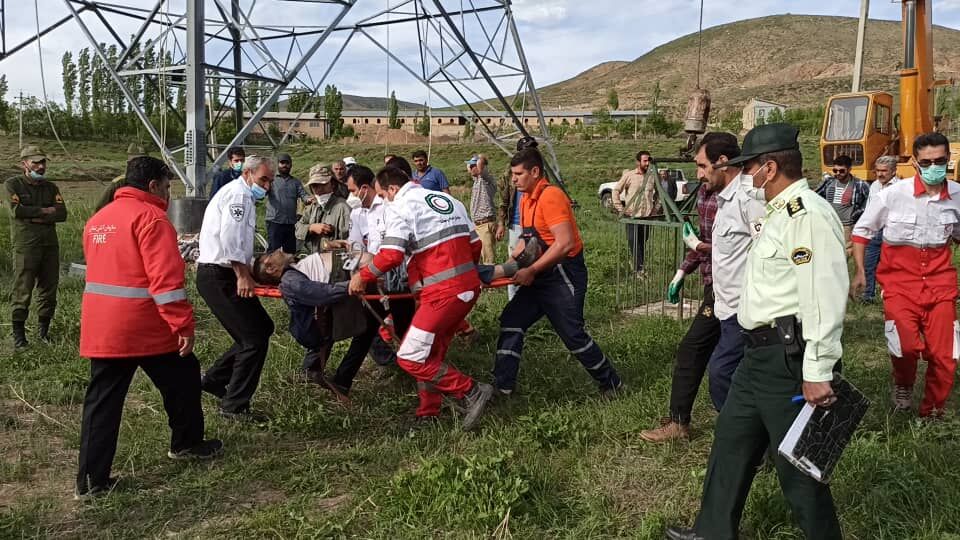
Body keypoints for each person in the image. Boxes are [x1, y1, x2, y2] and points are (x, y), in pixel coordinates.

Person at [667, 123, 847, 540]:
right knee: (730, 441)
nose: (744, 177)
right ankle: (712, 532)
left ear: (769, 168)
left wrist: (818, 369)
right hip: (756, 354)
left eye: (749, 168)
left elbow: (823, 294)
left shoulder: (807, 215)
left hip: (787, 358)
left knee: (798, 467)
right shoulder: (777, 211)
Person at [76, 156, 223, 498]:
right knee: (184, 377)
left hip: (103, 326)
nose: (169, 193)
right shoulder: (152, 219)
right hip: (144, 326)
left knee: (102, 402)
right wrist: (183, 324)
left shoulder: (99, 219)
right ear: (154, 185)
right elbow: (166, 283)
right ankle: (186, 443)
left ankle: (90, 482)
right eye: (168, 185)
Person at [348, 166, 494, 429]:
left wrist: (363, 275)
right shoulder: (450, 201)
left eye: (382, 195)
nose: (382, 201)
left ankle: (470, 390)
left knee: (410, 356)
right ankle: (429, 412)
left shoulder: (400, 207)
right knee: (430, 353)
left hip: (441, 295)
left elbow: (391, 254)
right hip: (465, 291)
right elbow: (475, 245)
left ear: (392, 189)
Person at [492, 147, 623, 398]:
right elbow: (527, 242)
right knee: (511, 320)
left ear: (535, 171)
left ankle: (612, 384)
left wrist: (530, 270)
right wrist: (499, 271)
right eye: (512, 174)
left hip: (564, 275)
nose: (513, 179)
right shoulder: (527, 199)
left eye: (518, 174)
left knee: (573, 335)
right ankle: (503, 387)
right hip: (542, 274)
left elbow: (565, 244)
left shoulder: (551, 197)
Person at [852, 133, 960, 417]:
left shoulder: (958, 196)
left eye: (939, 160)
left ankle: (933, 409)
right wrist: (861, 272)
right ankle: (903, 381)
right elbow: (862, 232)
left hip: (941, 287)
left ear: (948, 159)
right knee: (905, 346)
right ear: (914, 162)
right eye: (927, 162)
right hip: (900, 286)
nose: (934, 166)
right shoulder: (892, 196)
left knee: (946, 353)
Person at [639, 136, 722, 443]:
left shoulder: (742, 199)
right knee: (694, 350)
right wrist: (680, 272)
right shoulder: (705, 194)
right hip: (714, 285)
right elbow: (699, 242)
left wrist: (700, 246)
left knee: (721, 363)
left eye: (701, 166)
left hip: (737, 290)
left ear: (722, 162)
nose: (698, 174)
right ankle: (679, 422)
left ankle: (746, 436)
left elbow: (735, 248)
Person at [196, 155, 276, 422]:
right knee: (253, 338)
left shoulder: (244, 196)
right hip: (220, 275)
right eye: (263, 179)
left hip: (225, 273)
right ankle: (234, 406)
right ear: (248, 174)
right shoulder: (238, 196)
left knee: (262, 328)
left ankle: (215, 380)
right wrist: (242, 275)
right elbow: (230, 239)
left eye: (270, 181)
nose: (266, 186)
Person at [252, 249, 371, 396]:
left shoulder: (290, 277)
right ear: (271, 268)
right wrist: (349, 286)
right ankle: (319, 381)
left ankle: (314, 376)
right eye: (271, 254)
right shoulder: (290, 281)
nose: (279, 250)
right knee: (363, 331)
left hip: (318, 325)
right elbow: (321, 294)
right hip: (318, 325)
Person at [346, 165, 415, 368]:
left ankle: (414, 365)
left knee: (404, 325)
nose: (351, 195)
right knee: (366, 327)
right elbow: (355, 245)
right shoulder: (356, 214)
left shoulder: (389, 207)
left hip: (396, 276)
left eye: (352, 190)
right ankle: (346, 378)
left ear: (364, 188)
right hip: (371, 277)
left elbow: (396, 249)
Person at [5, 145, 67, 349]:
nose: (40, 166)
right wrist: (44, 212)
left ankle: (44, 332)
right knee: (23, 289)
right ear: (24, 164)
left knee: (48, 289)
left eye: (43, 162)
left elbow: (62, 214)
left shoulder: (51, 188)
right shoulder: (13, 184)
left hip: (49, 245)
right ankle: (19, 337)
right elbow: (17, 211)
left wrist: (36, 215)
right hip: (26, 246)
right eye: (35, 162)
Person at [497, 137, 538, 299]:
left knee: (534, 263)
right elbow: (503, 201)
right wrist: (501, 223)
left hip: (534, 224)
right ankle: (513, 300)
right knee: (515, 263)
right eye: (528, 149)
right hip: (516, 225)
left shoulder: (539, 171)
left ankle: (530, 301)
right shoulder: (509, 174)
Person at [860, 155, 900, 303]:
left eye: (884, 171)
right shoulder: (874, 186)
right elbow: (869, 208)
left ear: (893, 171)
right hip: (874, 231)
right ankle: (868, 295)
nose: (880, 174)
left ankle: (892, 295)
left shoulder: (899, 187)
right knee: (869, 265)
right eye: (878, 171)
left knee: (891, 266)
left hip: (892, 231)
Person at [612, 151, 658, 276]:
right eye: (645, 161)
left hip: (647, 217)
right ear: (638, 162)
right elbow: (616, 190)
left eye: (649, 160)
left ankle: (639, 266)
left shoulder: (652, 176)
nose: (648, 163)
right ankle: (639, 270)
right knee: (633, 241)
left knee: (642, 242)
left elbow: (659, 194)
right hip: (632, 216)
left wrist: (655, 209)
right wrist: (621, 209)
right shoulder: (629, 175)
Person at [815, 154, 869, 255]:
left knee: (845, 253)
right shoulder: (828, 182)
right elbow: (815, 196)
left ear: (849, 169)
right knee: (828, 252)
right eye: (835, 171)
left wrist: (857, 214)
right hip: (829, 223)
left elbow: (869, 202)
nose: (838, 173)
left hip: (847, 226)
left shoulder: (860, 184)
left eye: (842, 171)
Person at [295, 165, 352, 254]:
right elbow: (298, 228)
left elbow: (351, 240)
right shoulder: (313, 207)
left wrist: (333, 244)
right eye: (314, 186)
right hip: (315, 259)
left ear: (332, 184)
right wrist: (311, 228)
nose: (318, 190)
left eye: (322, 184)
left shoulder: (344, 208)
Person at [266, 153, 312, 254]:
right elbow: (261, 193)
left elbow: (303, 195)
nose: (284, 165)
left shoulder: (296, 182)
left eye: (287, 163)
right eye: (282, 163)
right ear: (278, 164)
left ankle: (288, 270)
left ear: (291, 165)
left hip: (290, 223)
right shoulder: (271, 180)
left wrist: (309, 199)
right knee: (274, 252)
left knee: (290, 253)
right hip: (275, 221)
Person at [95, 143, 148, 212]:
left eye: (144, 163)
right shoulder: (119, 183)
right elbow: (100, 210)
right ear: (128, 163)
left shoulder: (154, 183)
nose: (141, 167)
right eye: (137, 164)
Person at [467, 154, 498, 264]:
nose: (470, 168)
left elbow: (481, 164)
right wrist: (471, 164)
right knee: (478, 258)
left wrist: (480, 159)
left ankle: (491, 280)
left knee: (488, 259)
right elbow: (470, 169)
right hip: (478, 225)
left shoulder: (486, 179)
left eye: (472, 166)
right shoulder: (476, 180)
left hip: (485, 224)